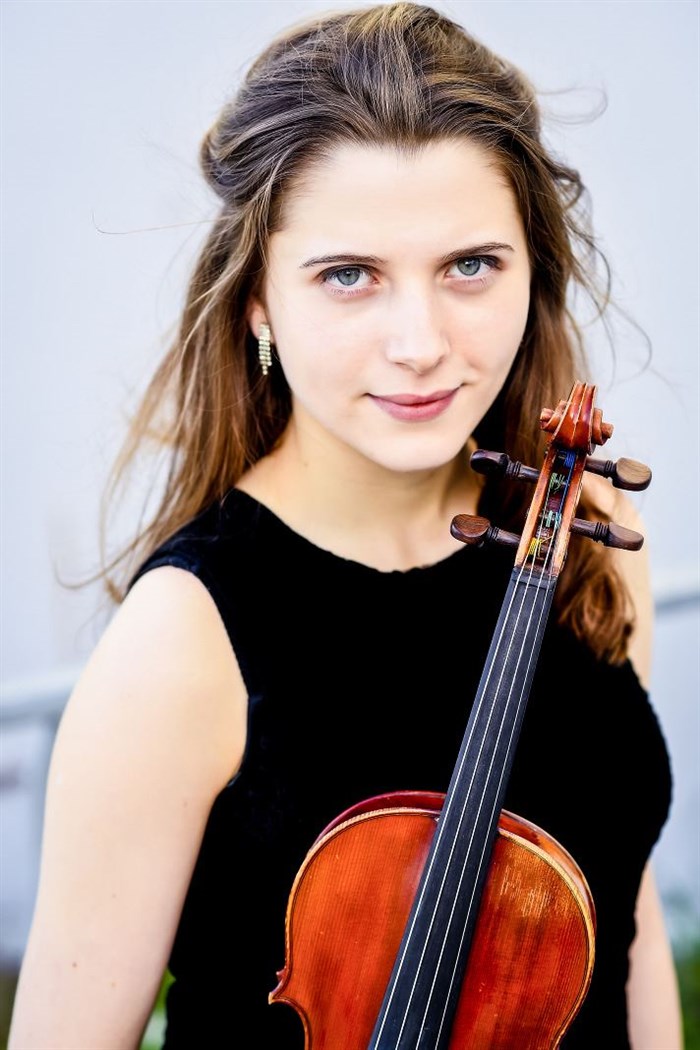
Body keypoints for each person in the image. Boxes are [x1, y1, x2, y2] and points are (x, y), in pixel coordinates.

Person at [8, 3, 683, 1047]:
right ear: (259, 305)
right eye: (348, 275)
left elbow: (618, 923)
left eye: (470, 265)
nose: (419, 343)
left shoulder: (584, 537)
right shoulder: (183, 641)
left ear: (533, 268)